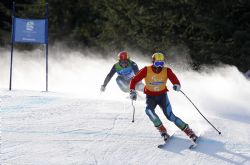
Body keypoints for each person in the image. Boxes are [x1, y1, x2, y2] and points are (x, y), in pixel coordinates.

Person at [129, 52, 198, 142]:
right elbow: (134, 80)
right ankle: (162, 130)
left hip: (162, 96)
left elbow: (175, 80)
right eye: (157, 63)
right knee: (149, 111)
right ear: (153, 62)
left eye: (161, 63)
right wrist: (132, 91)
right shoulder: (146, 70)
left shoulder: (167, 70)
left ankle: (188, 131)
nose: (159, 66)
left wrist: (177, 85)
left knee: (170, 116)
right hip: (150, 96)